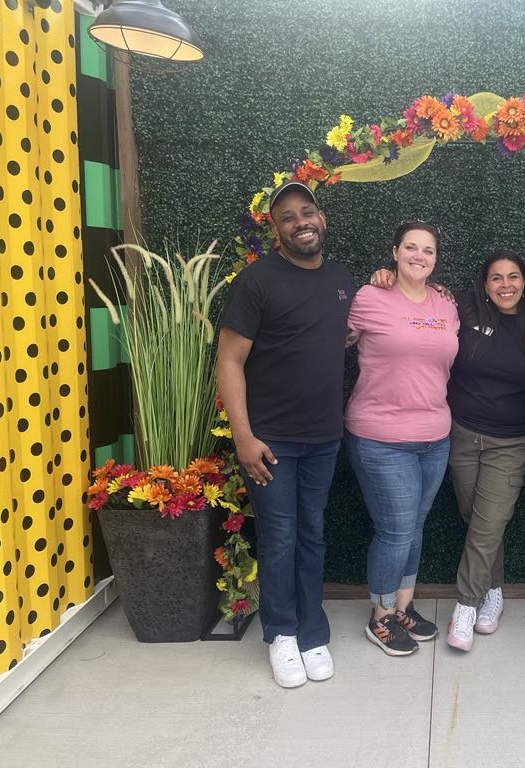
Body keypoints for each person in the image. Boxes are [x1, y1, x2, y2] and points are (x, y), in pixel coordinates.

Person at [216, 181, 354, 688]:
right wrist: (244, 437)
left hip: (323, 437)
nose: (302, 222)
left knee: (311, 535)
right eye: (289, 217)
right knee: (278, 539)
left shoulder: (342, 279)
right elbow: (229, 360)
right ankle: (282, 635)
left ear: (321, 218)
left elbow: (341, 331)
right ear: (275, 229)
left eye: (308, 212)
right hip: (270, 441)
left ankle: (313, 631)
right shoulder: (256, 282)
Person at [345, 221, 460, 657]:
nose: (419, 256)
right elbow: (334, 342)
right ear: (394, 252)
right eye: (410, 247)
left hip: (435, 436)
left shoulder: (446, 304)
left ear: (435, 258)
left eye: (427, 250)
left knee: (413, 527)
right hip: (380, 437)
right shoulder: (370, 297)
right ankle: (380, 617)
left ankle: (403, 608)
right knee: (394, 531)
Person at [443, 251, 525, 652]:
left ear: (524, 281)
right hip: (462, 435)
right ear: (484, 285)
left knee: (487, 524)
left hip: (511, 442)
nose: (505, 285)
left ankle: (465, 606)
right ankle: (494, 590)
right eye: (496, 278)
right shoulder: (464, 308)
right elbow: (429, 297)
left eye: (513, 277)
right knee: (479, 521)